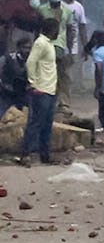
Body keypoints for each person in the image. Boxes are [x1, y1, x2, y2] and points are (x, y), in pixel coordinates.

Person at [21, 17, 59, 165]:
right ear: (51, 29)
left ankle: (45, 155)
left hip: (50, 90)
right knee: (36, 122)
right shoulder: (40, 43)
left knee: (47, 124)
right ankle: (26, 154)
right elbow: (30, 62)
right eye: (56, 29)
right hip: (41, 90)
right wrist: (33, 83)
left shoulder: (49, 44)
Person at [2, 31, 30, 114]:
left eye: (29, 48)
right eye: (25, 48)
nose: (27, 50)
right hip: (6, 92)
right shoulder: (8, 58)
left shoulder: (31, 61)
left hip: (22, 94)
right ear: (18, 47)